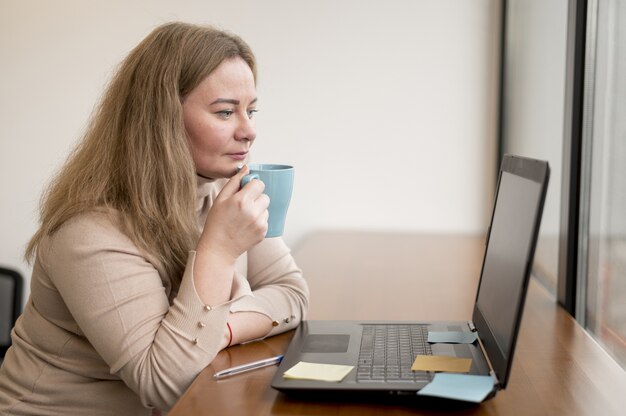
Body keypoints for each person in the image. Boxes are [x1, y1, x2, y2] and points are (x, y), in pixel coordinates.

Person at [0, 22, 309, 415]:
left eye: (251, 110)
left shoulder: (221, 190)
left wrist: (222, 327)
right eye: (226, 112)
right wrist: (216, 252)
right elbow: (169, 384)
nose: (249, 131)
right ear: (161, 118)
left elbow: (293, 295)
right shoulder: (89, 230)